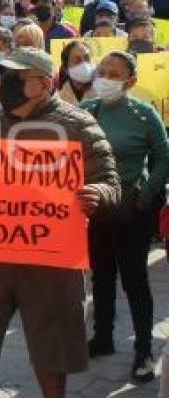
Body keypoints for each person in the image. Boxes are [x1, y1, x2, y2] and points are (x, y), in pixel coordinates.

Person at [0, 47, 121, 398]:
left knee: (52, 350)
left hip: (51, 261)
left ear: (44, 84)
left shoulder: (78, 125)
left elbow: (110, 181)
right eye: (1, 77)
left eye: (16, 78)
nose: (4, 85)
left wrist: (98, 194)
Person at [81, 51, 169, 383]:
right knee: (101, 276)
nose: (104, 77)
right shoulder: (87, 112)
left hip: (133, 211)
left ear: (130, 81)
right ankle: (102, 337)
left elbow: (163, 157)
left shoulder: (144, 115)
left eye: (114, 73)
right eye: (101, 71)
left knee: (134, 280)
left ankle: (144, 349)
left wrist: (145, 195)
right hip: (96, 209)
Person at [57, 40, 96, 105]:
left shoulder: (103, 94)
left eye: (87, 58)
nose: (84, 64)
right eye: (77, 60)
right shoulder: (59, 100)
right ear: (66, 68)